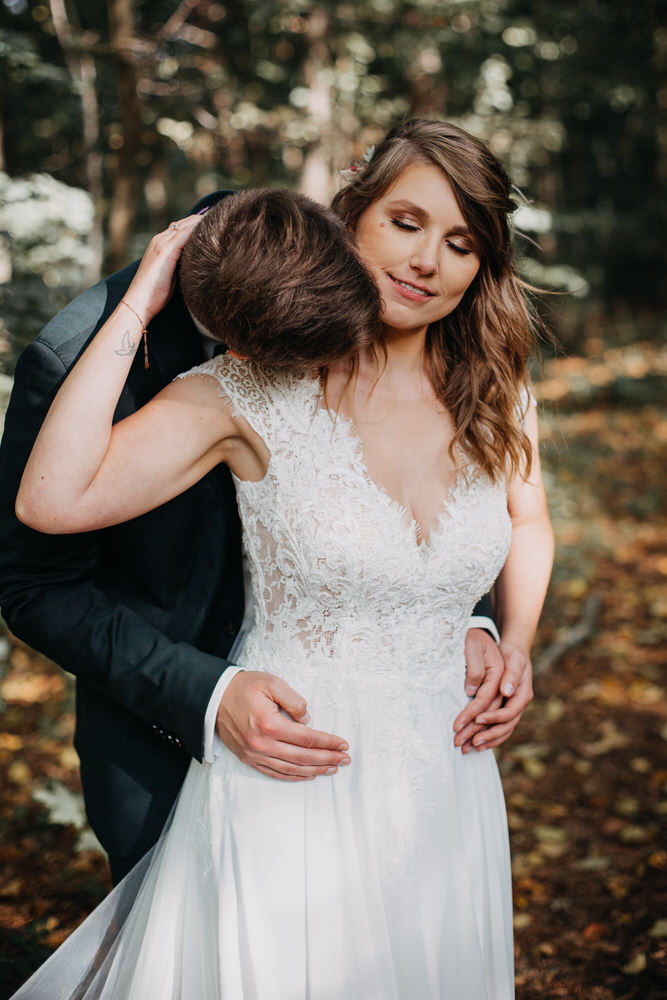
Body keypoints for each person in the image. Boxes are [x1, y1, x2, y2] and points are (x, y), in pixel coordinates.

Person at [11, 120, 553, 998]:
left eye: (460, 244)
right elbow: (51, 500)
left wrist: (510, 634)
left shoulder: (495, 390)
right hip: (291, 774)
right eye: (405, 223)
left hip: (447, 785)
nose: (426, 262)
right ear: (351, 219)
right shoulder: (248, 387)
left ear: (480, 267)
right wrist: (144, 297)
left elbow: (526, 520)